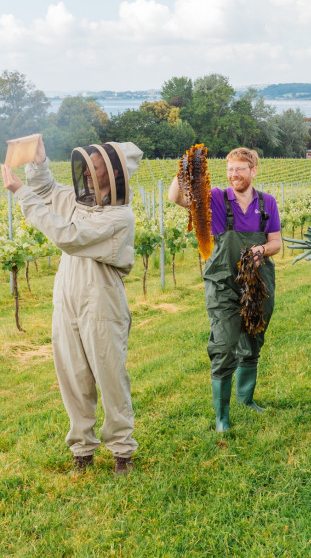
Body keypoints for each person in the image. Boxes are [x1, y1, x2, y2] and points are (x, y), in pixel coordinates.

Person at [1, 137, 142, 475]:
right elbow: (50, 190)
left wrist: (20, 192)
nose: (89, 174)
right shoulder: (81, 202)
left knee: (109, 375)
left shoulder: (119, 217)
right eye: (88, 167)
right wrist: (38, 163)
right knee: (72, 374)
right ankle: (82, 449)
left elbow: (67, 236)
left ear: (114, 174)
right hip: (67, 295)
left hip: (102, 299)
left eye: (97, 168)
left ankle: (122, 451)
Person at [168, 147, 281, 433]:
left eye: (240, 169)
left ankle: (246, 399)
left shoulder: (267, 203)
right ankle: (222, 417)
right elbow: (177, 197)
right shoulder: (216, 199)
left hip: (258, 283)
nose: (234, 174)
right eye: (230, 169)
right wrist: (184, 168)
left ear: (253, 171)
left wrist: (262, 249)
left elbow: (276, 243)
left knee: (254, 339)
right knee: (225, 345)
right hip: (222, 284)